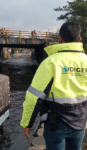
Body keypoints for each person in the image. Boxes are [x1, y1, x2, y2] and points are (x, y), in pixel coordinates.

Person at [20, 22, 87, 150]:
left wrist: (27, 123)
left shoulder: (50, 62)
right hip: (80, 121)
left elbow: (34, 97)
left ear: (60, 39)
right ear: (79, 40)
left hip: (55, 125)